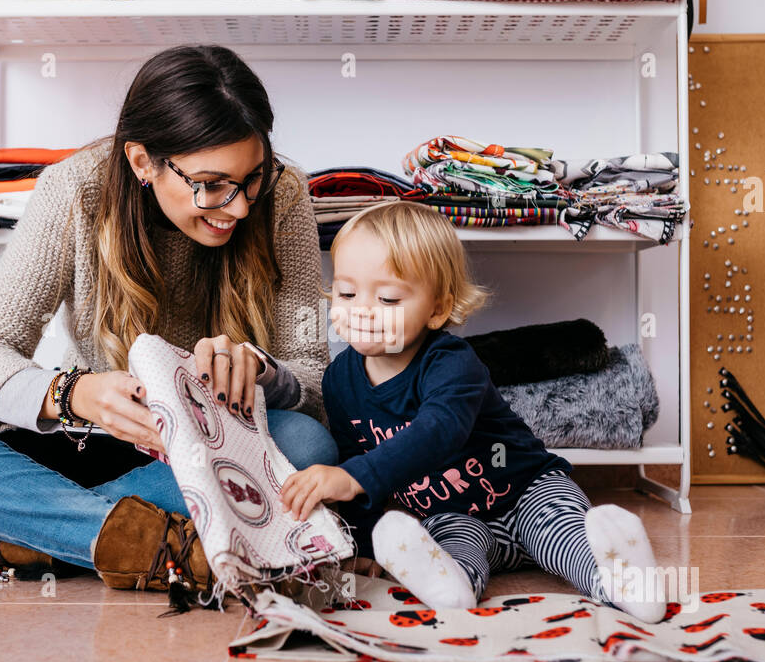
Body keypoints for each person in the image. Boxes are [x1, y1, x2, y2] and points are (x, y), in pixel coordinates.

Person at [0, 44, 338, 592]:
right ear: (142, 161)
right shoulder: (75, 189)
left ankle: (1, 533)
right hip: (80, 442)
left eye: (253, 177)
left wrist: (262, 370)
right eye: (210, 185)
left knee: (307, 444)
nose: (239, 207)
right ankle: (138, 540)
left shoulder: (283, 197)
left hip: (193, 457)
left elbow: (312, 376)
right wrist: (71, 394)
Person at [278, 201, 667, 622]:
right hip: (455, 514)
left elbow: (441, 428)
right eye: (347, 292)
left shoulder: (451, 361)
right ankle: (452, 589)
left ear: (438, 309)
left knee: (561, 535)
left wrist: (354, 477)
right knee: (450, 544)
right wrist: (366, 545)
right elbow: (354, 459)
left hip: (526, 489)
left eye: (388, 297)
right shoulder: (340, 380)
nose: (362, 310)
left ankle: (624, 580)